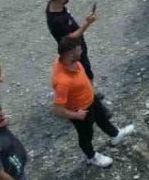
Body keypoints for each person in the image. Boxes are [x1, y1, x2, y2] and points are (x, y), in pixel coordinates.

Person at [51, 37, 135, 168]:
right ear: (70, 54)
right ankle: (91, 157)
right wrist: (77, 115)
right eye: (79, 50)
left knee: (102, 118)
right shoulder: (62, 81)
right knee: (86, 135)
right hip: (81, 111)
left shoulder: (70, 60)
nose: (82, 51)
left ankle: (115, 134)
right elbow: (57, 110)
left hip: (91, 99)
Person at [45, 0, 98, 81]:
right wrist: (87, 23)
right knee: (86, 71)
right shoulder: (57, 20)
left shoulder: (55, 6)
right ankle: (90, 94)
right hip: (72, 49)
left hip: (75, 46)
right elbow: (71, 37)